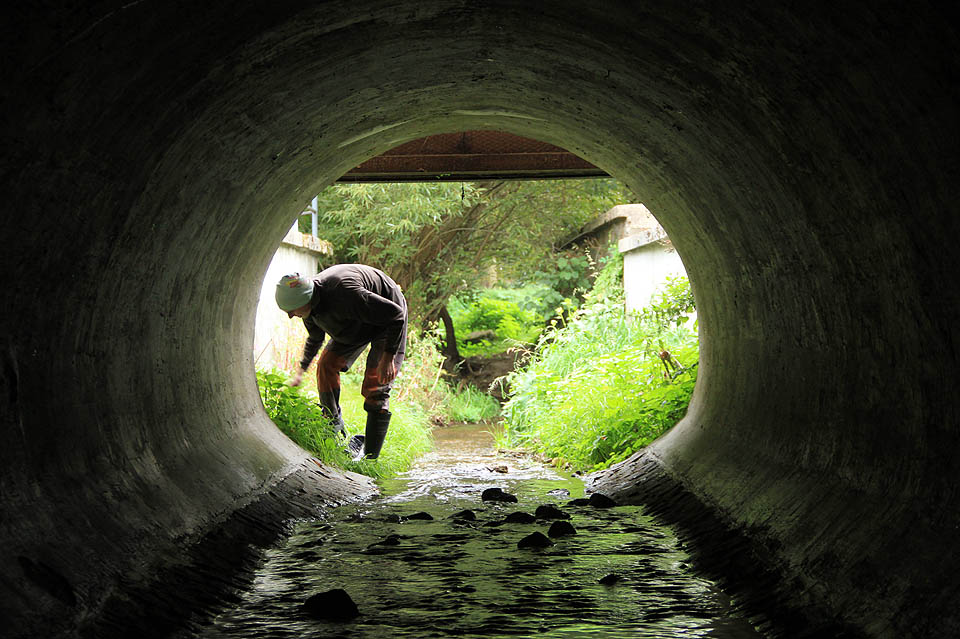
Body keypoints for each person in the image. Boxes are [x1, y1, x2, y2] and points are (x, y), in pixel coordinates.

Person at [274, 264, 407, 459]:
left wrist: (388, 358)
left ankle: (370, 458)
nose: (290, 315)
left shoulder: (345, 292)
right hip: (356, 323)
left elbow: (396, 315)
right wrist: (301, 370)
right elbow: (315, 338)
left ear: (306, 299)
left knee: (376, 385)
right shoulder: (308, 308)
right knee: (326, 366)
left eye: (292, 310)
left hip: (388, 320)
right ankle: (333, 429)